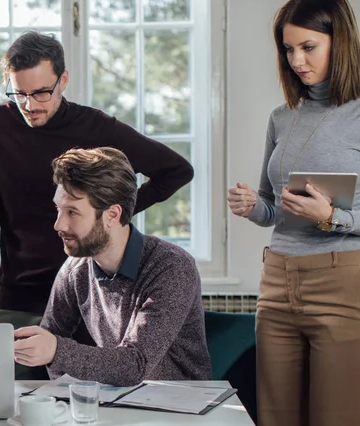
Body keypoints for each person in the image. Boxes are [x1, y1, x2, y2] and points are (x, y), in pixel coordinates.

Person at [227, 0, 360, 426]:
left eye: (308, 47)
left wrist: (334, 217)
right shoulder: (281, 119)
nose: (296, 60)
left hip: (344, 285)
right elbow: (275, 211)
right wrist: (255, 207)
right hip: (278, 283)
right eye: (288, 49)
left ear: (339, 42)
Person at [0, 30, 194, 379]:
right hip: (22, 296)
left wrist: (106, 217)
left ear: (63, 79)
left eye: (41, 92)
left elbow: (176, 170)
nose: (31, 105)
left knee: (92, 412)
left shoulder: (96, 127)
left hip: (91, 297)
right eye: (19, 93)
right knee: (14, 406)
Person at [12, 147, 211, 386]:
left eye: (72, 212)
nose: (58, 224)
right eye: (58, 210)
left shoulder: (172, 267)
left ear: (112, 215)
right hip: (118, 402)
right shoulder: (76, 268)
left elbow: (135, 364)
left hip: (183, 405)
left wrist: (57, 351)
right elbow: (52, 335)